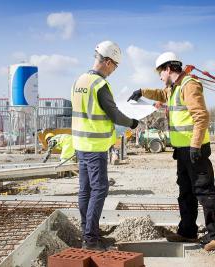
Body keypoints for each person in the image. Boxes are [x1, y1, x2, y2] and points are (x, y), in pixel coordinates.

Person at [128, 52, 215, 251]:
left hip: (194, 148)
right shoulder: (174, 88)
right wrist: (141, 91)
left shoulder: (189, 85)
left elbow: (201, 116)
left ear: (168, 69)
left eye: (160, 72)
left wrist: (195, 145)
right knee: (185, 192)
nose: (159, 77)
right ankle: (187, 232)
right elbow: (161, 95)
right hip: (183, 149)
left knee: (204, 190)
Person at [71, 40, 139, 250]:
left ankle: (88, 234)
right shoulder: (100, 84)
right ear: (108, 62)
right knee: (99, 189)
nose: (114, 71)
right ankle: (91, 240)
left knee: (86, 190)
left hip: (80, 144)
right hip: (95, 146)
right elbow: (115, 115)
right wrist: (133, 122)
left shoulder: (79, 80)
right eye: (115, 66)